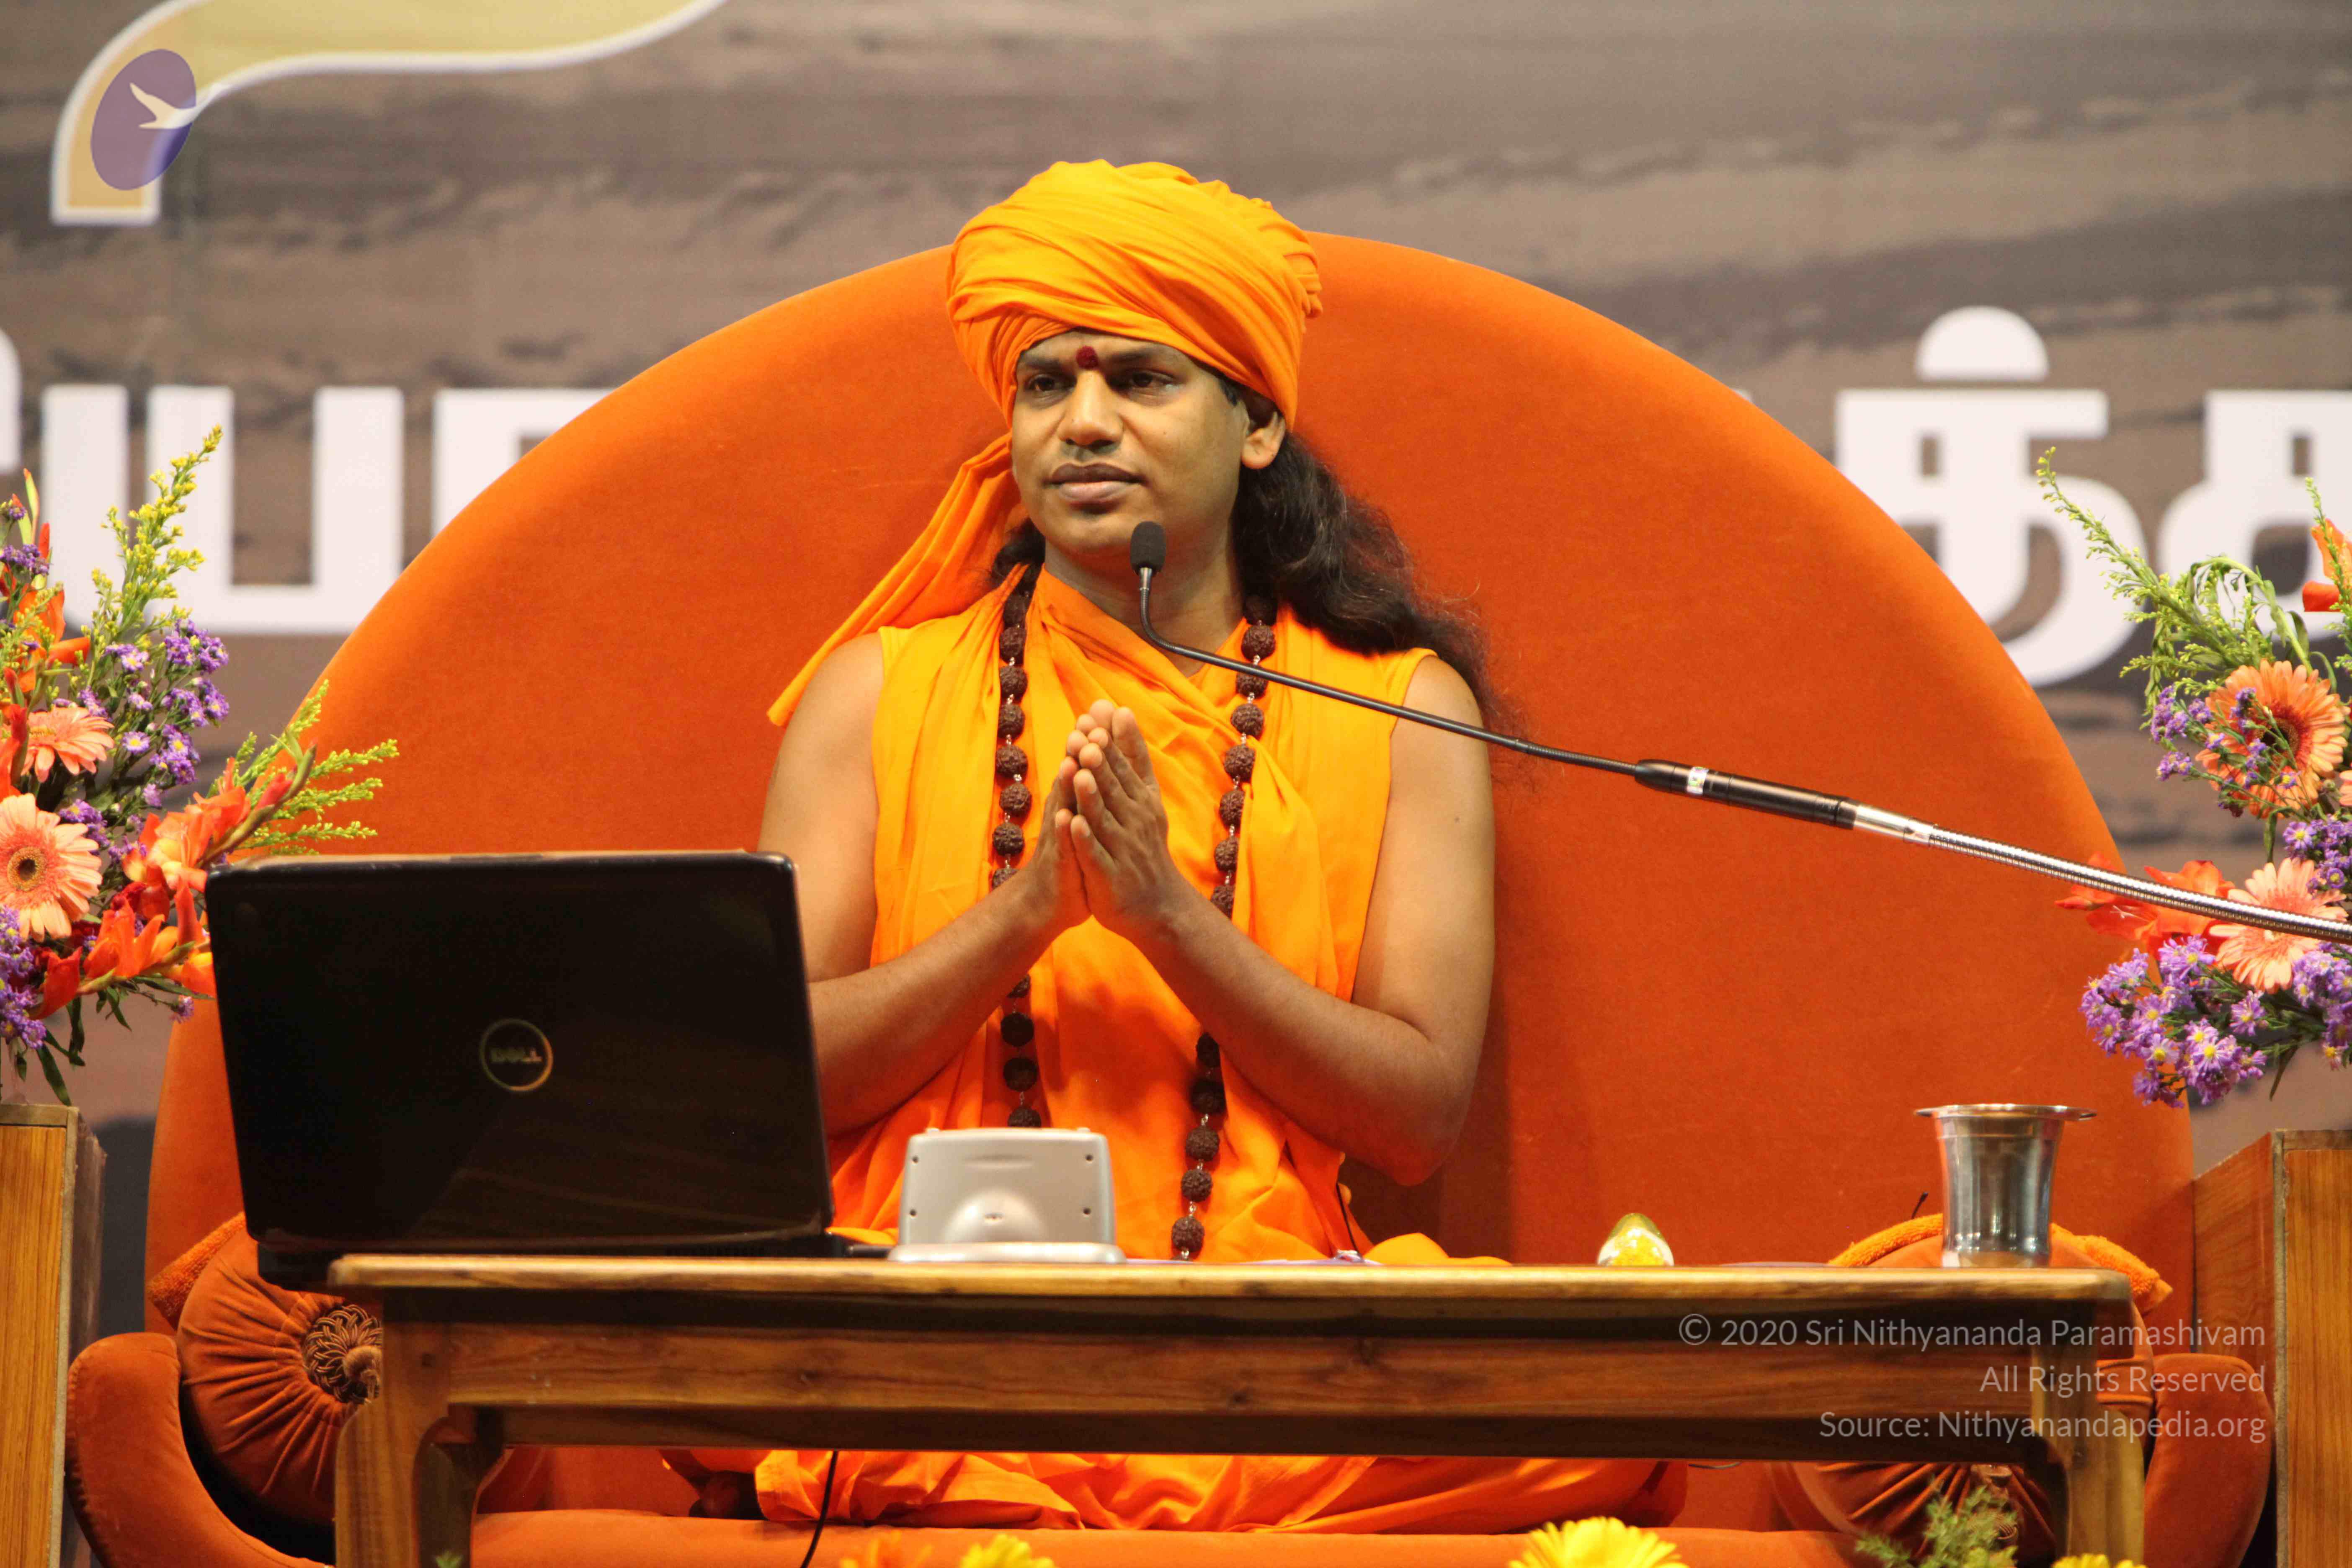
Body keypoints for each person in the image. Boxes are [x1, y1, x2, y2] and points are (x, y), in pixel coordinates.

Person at [690, 158, 1684, 1534]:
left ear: (1258, 422)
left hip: (1261, 1349)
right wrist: (1025, 917)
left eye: (1142, 380)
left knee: (1607, 1427)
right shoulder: (878, 692)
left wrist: (1168, 918)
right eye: (1047, 384)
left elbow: (1413, 1118)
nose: (1084, 424)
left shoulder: (1398, 708)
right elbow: (769, 1089)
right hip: (933, 1331)